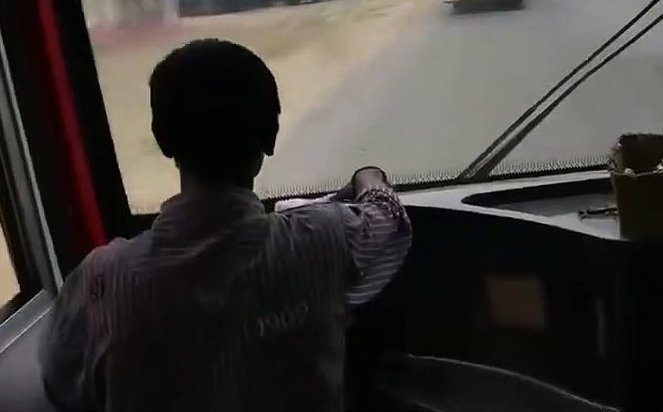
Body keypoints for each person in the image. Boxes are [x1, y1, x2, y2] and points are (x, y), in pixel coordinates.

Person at [42, 38, 412, 412]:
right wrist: (368, 175)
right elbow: (388, 214)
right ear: (270, 134)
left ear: (162, 137)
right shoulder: (325, 239)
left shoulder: (100, 282)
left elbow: (64, 387)